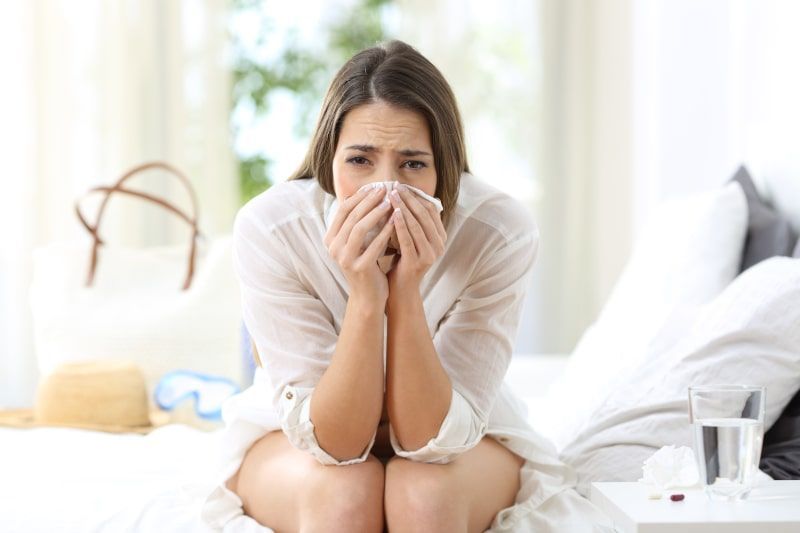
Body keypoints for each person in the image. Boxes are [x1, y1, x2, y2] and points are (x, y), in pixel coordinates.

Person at [200, 39, 608, 533]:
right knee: (346, 494)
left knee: (423, 495)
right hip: (299, 440)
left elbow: (428, 441)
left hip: (459, 439)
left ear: (443, 167)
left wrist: (406, 290)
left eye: (413, 164)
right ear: (330, 159)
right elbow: (338, 444)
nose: (386, 189)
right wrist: (366, 296)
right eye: (360, 161)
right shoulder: (273, 228)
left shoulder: (498, 231)